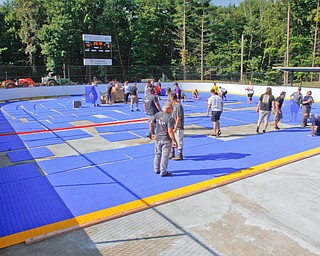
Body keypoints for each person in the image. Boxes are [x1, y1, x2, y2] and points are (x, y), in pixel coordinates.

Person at [149, 101, 178, 177]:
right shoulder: (169, 118)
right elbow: (170, 131)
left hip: (158, 138)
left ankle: (156, 169)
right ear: (168, 109)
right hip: (166, 139)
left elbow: (151, 123)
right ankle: (163, 171)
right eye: (171, 109)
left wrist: (152, 133)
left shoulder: (158, 115)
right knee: (165, 156)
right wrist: (174, 141)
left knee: (157, 154)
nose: (172, 110)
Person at [170, 92, 185, 160]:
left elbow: (179, 117)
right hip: (173, 125)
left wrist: (175, 127)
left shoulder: (178, 106)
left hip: (178, 126)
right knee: (173, 139)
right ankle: (172, 152)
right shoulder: (173, 106)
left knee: (179, 139)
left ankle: (179, 154)